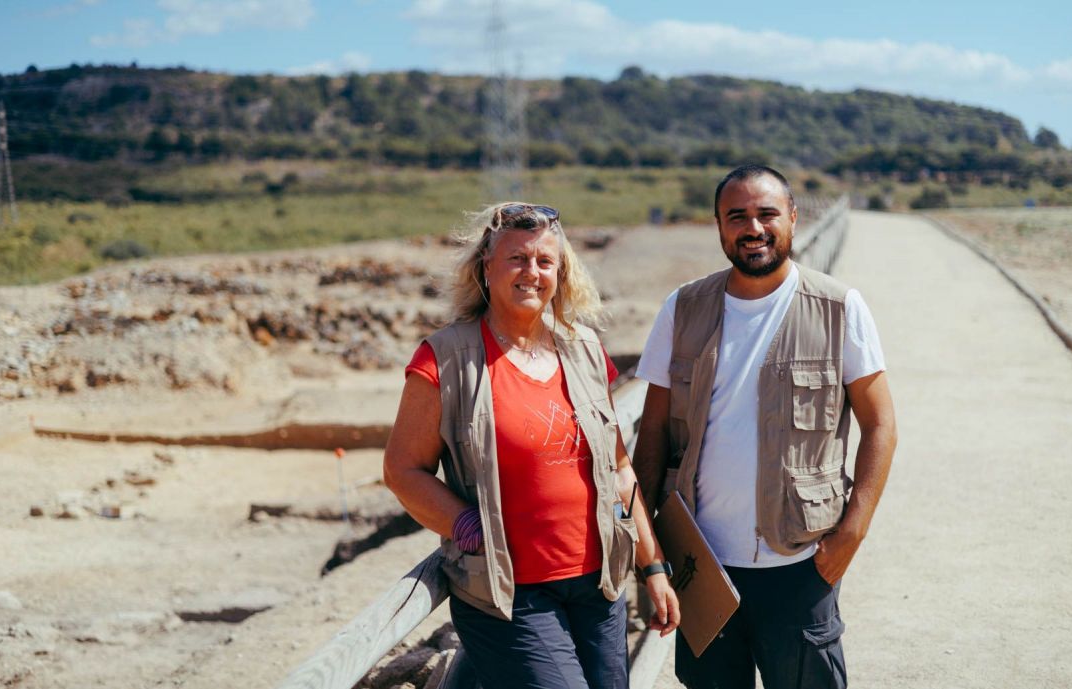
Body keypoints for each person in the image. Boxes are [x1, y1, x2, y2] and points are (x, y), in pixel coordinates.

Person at [384, 202, 680, 689]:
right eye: (517, 258)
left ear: (561, 273)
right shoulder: (446, 358)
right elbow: (402, 470)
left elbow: (619, 469)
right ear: (486, 265)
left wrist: (653, 566)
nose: (532, 272)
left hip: (599, 585)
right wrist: (464, 525)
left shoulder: (584, 349)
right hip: (509, 594)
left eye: (545, 261)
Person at [632, 165, 897, 689]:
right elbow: (653, 433)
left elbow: (881, 425)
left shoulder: (839, 308)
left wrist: (853, 531)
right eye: (737, 216)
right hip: (701, 561)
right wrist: (650, 551)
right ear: (719, 226)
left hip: (800, 562)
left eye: (766, 214)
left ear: (792, 218)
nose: (753, 228)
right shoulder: (682, 309)